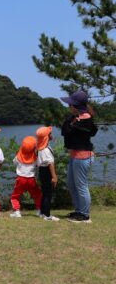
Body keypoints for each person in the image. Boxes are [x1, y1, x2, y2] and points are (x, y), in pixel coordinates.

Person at [60, 91, 98, 223]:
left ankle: (85, 215)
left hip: (82, 157)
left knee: (81, 186)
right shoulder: (78, 118)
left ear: (75, 105)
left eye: (70, 103)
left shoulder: (85, 120)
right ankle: (79, 211)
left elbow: (66, 132)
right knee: (71, 184)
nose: (68, 106)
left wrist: (69, 122)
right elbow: (66, 132)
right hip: (75, 155)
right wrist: (71, 120)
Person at [9, 136, 42, 218]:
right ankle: (39, 210)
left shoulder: (18, 157)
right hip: (31, 179)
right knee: (37, 195)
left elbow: (15, 162)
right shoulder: (35, 158)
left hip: (20, 178)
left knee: (15, 196)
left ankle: (17, 211)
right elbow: (38, 165)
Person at [36, 126, 60, 222]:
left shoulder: (40, 148)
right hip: (47, 172)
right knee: (48, 194)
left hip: (42, 171)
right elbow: (50, 163)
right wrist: (54, 177)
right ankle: (47, 215)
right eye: (50, 133)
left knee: (45, 192)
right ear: (46, 137)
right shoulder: (45, 150)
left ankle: (42, 212)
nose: (51, 135)